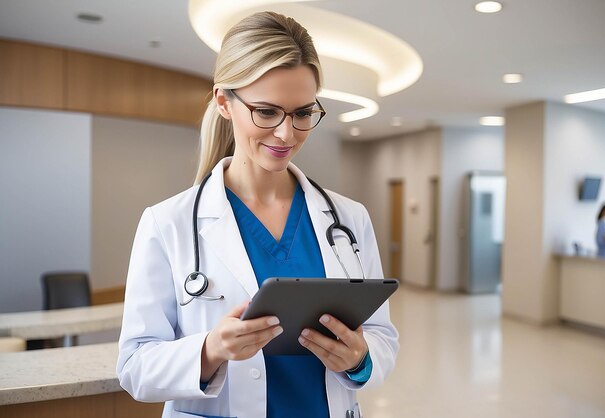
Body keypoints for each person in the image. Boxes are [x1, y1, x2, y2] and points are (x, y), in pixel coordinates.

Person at [116, 11, 398, 418]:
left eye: (303, 113)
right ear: (223, 102)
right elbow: (134, 367)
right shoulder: (168, 224)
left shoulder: (349, 220)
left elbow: (381, 337)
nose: (287, 134)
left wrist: (360, 360)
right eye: (266, 112)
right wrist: (211, 349)